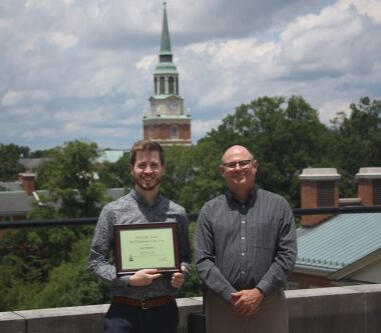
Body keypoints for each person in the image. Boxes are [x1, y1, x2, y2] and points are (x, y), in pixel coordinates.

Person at [88, 140, 191, 333]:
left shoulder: (178, 213)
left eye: (154, 165)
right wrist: (128, 280)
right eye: (142, 165)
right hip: (123, 314)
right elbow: (95, 262)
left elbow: (185, 257)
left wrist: (183, 272)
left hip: (164, 313)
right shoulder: (113, 211)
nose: (148, 170)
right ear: (131, 169)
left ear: (163, 169)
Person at [194, 145, 297, 333]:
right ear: (222, 171)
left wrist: (259, 292)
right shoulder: (209, 211)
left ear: (255, 166)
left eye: (243, 163)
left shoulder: (278, 206)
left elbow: (287, 255)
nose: (238, 168)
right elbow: (203, 261)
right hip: (222, 307)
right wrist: (229, 295)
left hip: (268, 304)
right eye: (231, 165)